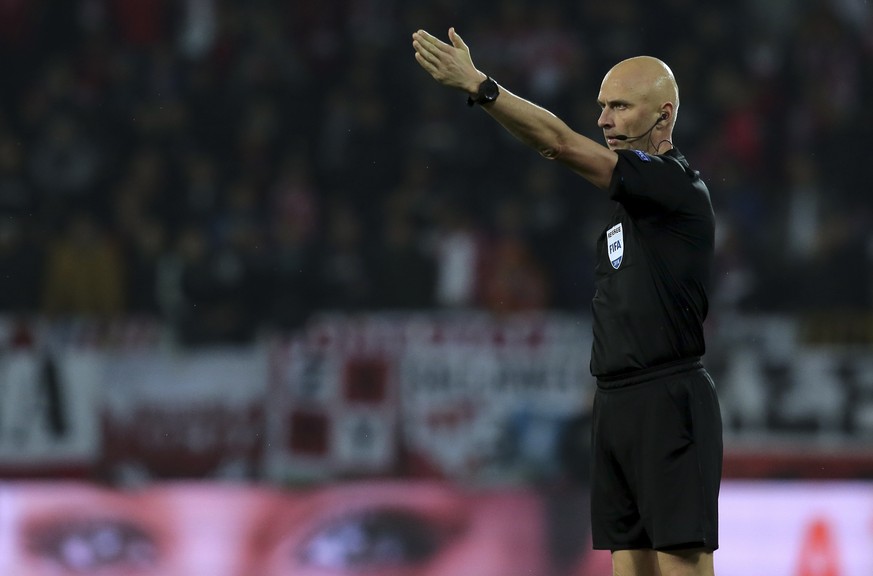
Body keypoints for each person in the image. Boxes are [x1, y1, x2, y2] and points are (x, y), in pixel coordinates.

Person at [412, 27, 722, 576]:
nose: (603, 120)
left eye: (620, 107)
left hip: (668, 402)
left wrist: (482, 87)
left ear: (664, 116)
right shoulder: (624, 215)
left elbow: (557, 142)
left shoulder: (677, 188)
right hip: (616, 403)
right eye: (602, 107)